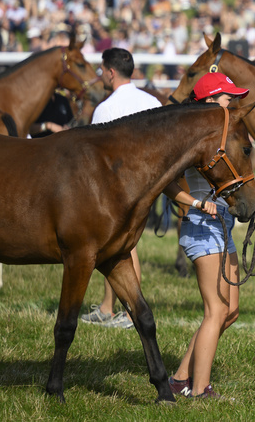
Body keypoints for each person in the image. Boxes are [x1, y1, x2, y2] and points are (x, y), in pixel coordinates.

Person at [163, 71, 255, 399]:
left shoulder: (216, 134)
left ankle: (180, 378)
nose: (233, 102)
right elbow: (167, 183)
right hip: (202, 226)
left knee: (230, 311)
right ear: (209, 100)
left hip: (221, 225)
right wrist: (194, 203)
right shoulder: (190, 135)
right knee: (215, 311)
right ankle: (199, 389)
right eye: (227, 97)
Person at [80, 48, 164, 329]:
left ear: (111, 72)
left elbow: (93, 156)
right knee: (115, 248)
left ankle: (130, 314)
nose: (100, 75)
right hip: (149, 183)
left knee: (125, 250)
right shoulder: (151, 100)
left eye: (102, 70)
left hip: (117, 187)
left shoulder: (106, 108)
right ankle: (107, 307)